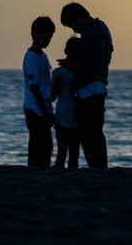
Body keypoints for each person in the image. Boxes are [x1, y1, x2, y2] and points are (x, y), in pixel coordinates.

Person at [58, 2, 113, 169]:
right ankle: (101, 167)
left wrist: (69, 65)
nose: (75, 31)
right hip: (100, 86)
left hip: (87, 90)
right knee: (97, 133)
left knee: (88, 135)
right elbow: (108, 55)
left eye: (72, 25)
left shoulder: (89, 34)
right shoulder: (103, 29)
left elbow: (88, 65)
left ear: (78, 17)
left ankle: (95, 168)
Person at [23, 16, 55, 167]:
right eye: (47, 36)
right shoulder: (30, 58)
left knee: (47, 145)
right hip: (34, 109)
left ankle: (44, 169)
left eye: (50, 37)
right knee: (37, 143)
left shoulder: (43, 56)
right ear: (36, 34)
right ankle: (34, 169)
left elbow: (45, 83)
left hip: (44, 107)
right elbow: (34, 87)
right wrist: (45, 112)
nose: (49, 40)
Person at [51, 37, 81, 169]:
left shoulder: (82, 73)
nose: (74, 54)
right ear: (66, 51)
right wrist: (56, 84)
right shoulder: (58, 72)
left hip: (77, 118)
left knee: (74, 154)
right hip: (62, 116)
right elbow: (52, 96)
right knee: (62, 153)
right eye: (72, 51)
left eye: (77, 51)